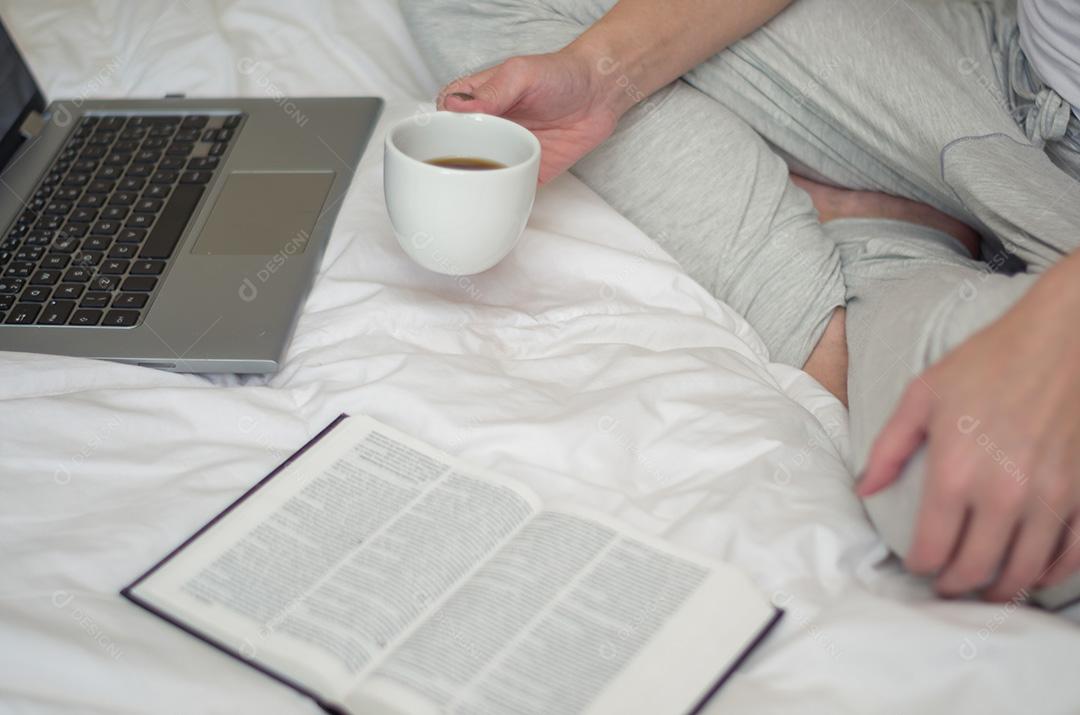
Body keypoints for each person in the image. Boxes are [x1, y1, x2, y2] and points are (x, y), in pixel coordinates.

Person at [400, 0, 1080, 606]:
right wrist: (598, 75)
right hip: (997, 63)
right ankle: (888, 242)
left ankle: (869, 264)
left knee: (979, 503)